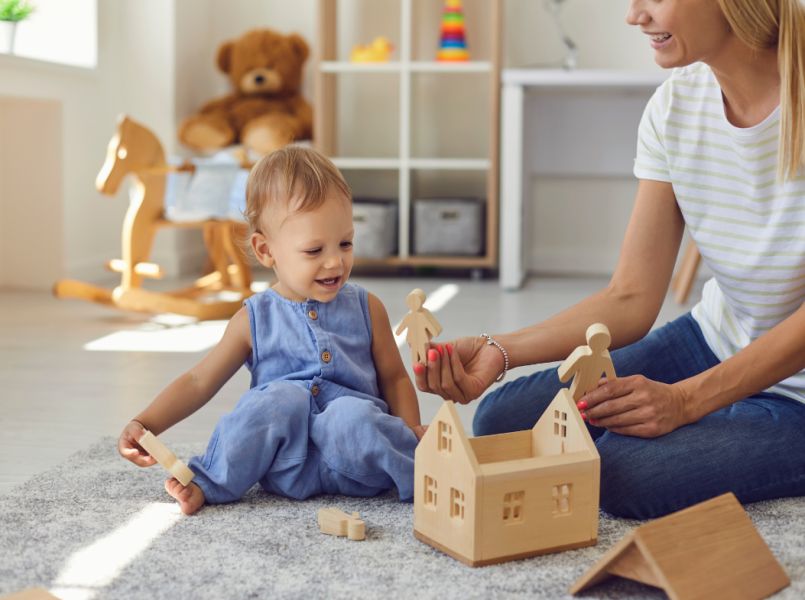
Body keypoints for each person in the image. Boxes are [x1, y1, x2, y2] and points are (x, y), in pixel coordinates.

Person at [415, 0, 805, 520]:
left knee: (621, 472)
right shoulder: (675, 107)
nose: (635, 15)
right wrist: (498, 349)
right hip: (715, 340)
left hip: (798, 394)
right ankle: (730, 418)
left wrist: (687, 402)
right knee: (504, 420)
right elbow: (630, 296)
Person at [118, 146, 425, 515]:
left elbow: (394, 379)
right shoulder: (254, 318)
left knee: (351, 414)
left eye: (345, 243)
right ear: (266, 251)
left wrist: (410, 432)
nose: (335, 261)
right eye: (314, 250)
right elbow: (200, 381)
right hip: (285, 467)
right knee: (277, 399)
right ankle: (208, 483)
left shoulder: (366, 307)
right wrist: (145, 423)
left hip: (358, 461)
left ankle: (424, 476)